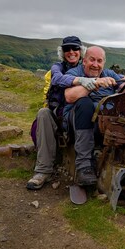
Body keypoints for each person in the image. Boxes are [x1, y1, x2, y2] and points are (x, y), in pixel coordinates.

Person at [63, 46, 125, 186]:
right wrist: (94, 84)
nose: (95, 65)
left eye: (99, 61)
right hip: (78, 122)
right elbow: (69, 96)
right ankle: (84, 166)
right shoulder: (74, 72)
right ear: (84, 61)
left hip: (104, 122)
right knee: (85, 104)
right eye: (92, 60)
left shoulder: (109, 73)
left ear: (104, 63)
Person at [27, 35, 88, 190]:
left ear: (81, 51)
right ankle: (43, 171)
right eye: (67, 49)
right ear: (62, 52)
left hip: (80, 116)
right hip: (59, 116)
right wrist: (81, 81)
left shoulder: (88, 68)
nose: (71, 52)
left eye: (75, 48)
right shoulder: (57, 68)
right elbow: (57, 79)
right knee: (43, 113)